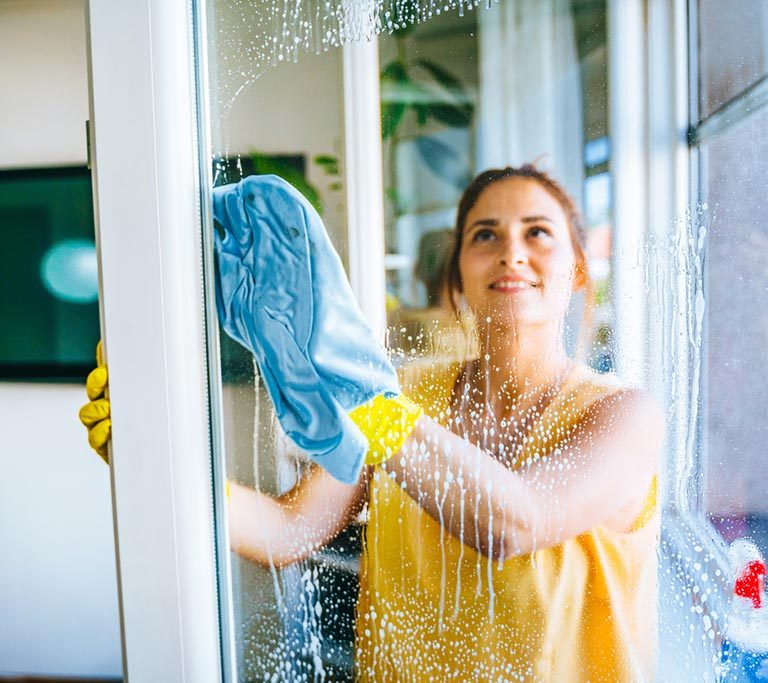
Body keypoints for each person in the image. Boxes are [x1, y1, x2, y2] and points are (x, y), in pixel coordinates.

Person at [81, 165, 663, 681]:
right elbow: (289, 531)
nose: (511, 250)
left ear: (580, 270)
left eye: (537, 232)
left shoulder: (624, 415)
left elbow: (514, 523)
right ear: (456, 274)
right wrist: (161, 466)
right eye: (484, 235)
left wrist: (357, 388)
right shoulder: (408, 393)